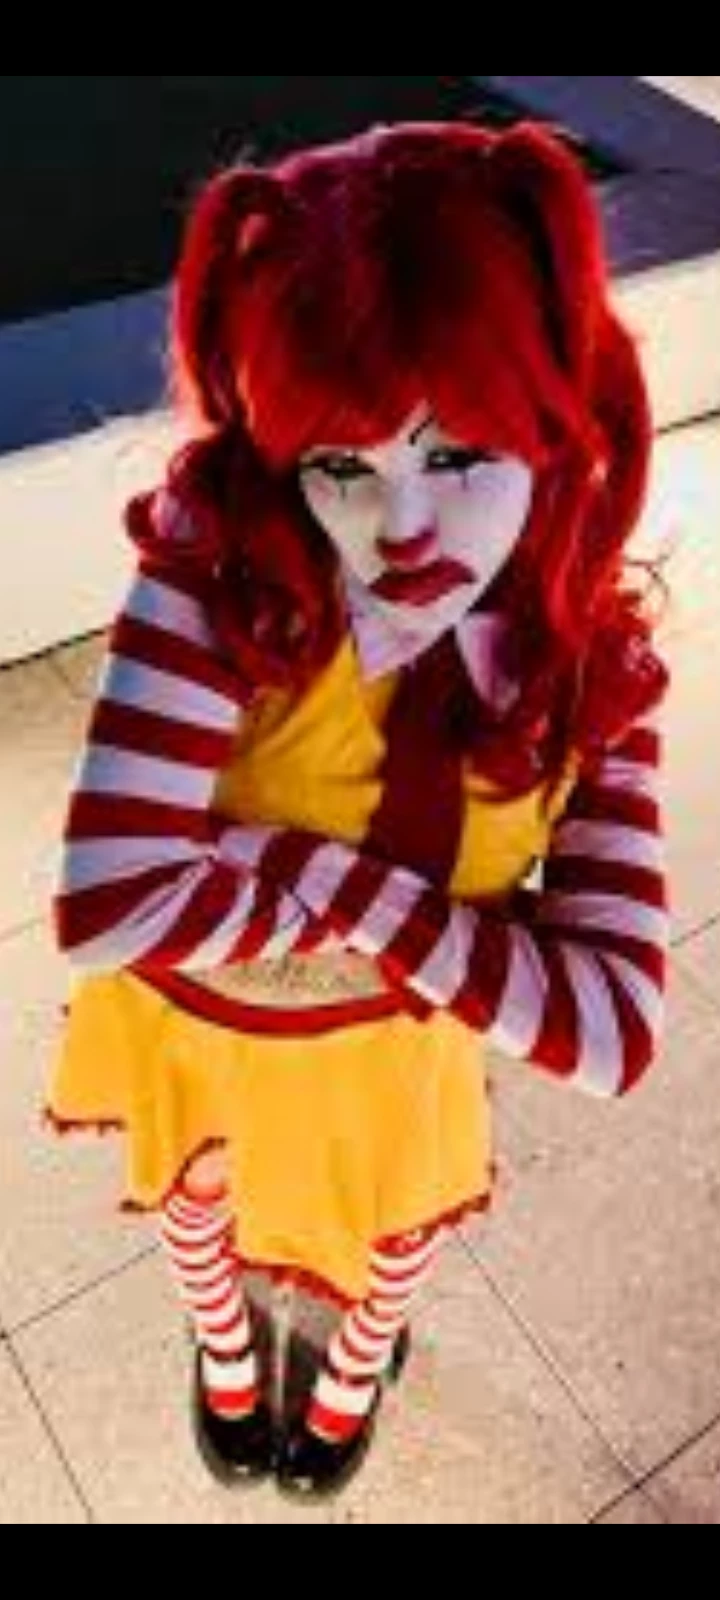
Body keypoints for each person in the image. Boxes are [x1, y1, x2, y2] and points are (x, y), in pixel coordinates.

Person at [48, 119, 671, 1502]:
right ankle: (223, 1350)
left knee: (397, 1223)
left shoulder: (587, 668)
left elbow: (612, 1026)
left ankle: (351, 1370)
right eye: (343, 464)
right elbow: (108, 907)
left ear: (554, 422)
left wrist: (301, 877)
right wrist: (455, 940)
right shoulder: (225, 564)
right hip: (198, 1024)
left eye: (458, 455)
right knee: (195, 1196)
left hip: (386, 1054)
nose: (401, 532)